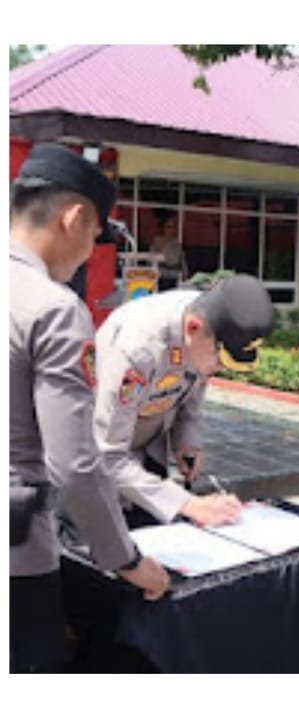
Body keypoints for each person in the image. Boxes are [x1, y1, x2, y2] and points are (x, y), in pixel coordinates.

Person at [10, 143, 170, 672]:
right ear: (74, 218)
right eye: (94, 239)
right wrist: (125, 559)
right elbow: (75, 463)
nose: (88, 255)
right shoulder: (53, 309)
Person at [93, 274, 274, 528]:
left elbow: (190, 390)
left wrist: (187, 443)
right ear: (192, 328)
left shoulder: (208, 322)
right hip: (96, 460)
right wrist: (189, 504)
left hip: (148, 446)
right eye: (220, 360)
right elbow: (108, 455)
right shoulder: (137, 350)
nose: (220, 368)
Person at [150, 208, 186, 290]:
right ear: (163, 228)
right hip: (161, 273)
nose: (171, 230)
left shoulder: (176, 242)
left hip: (174, 273)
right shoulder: (157, 241)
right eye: (168, 227)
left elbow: (182, 258)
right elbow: (151, 257)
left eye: (172, 227)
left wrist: (185, 272)